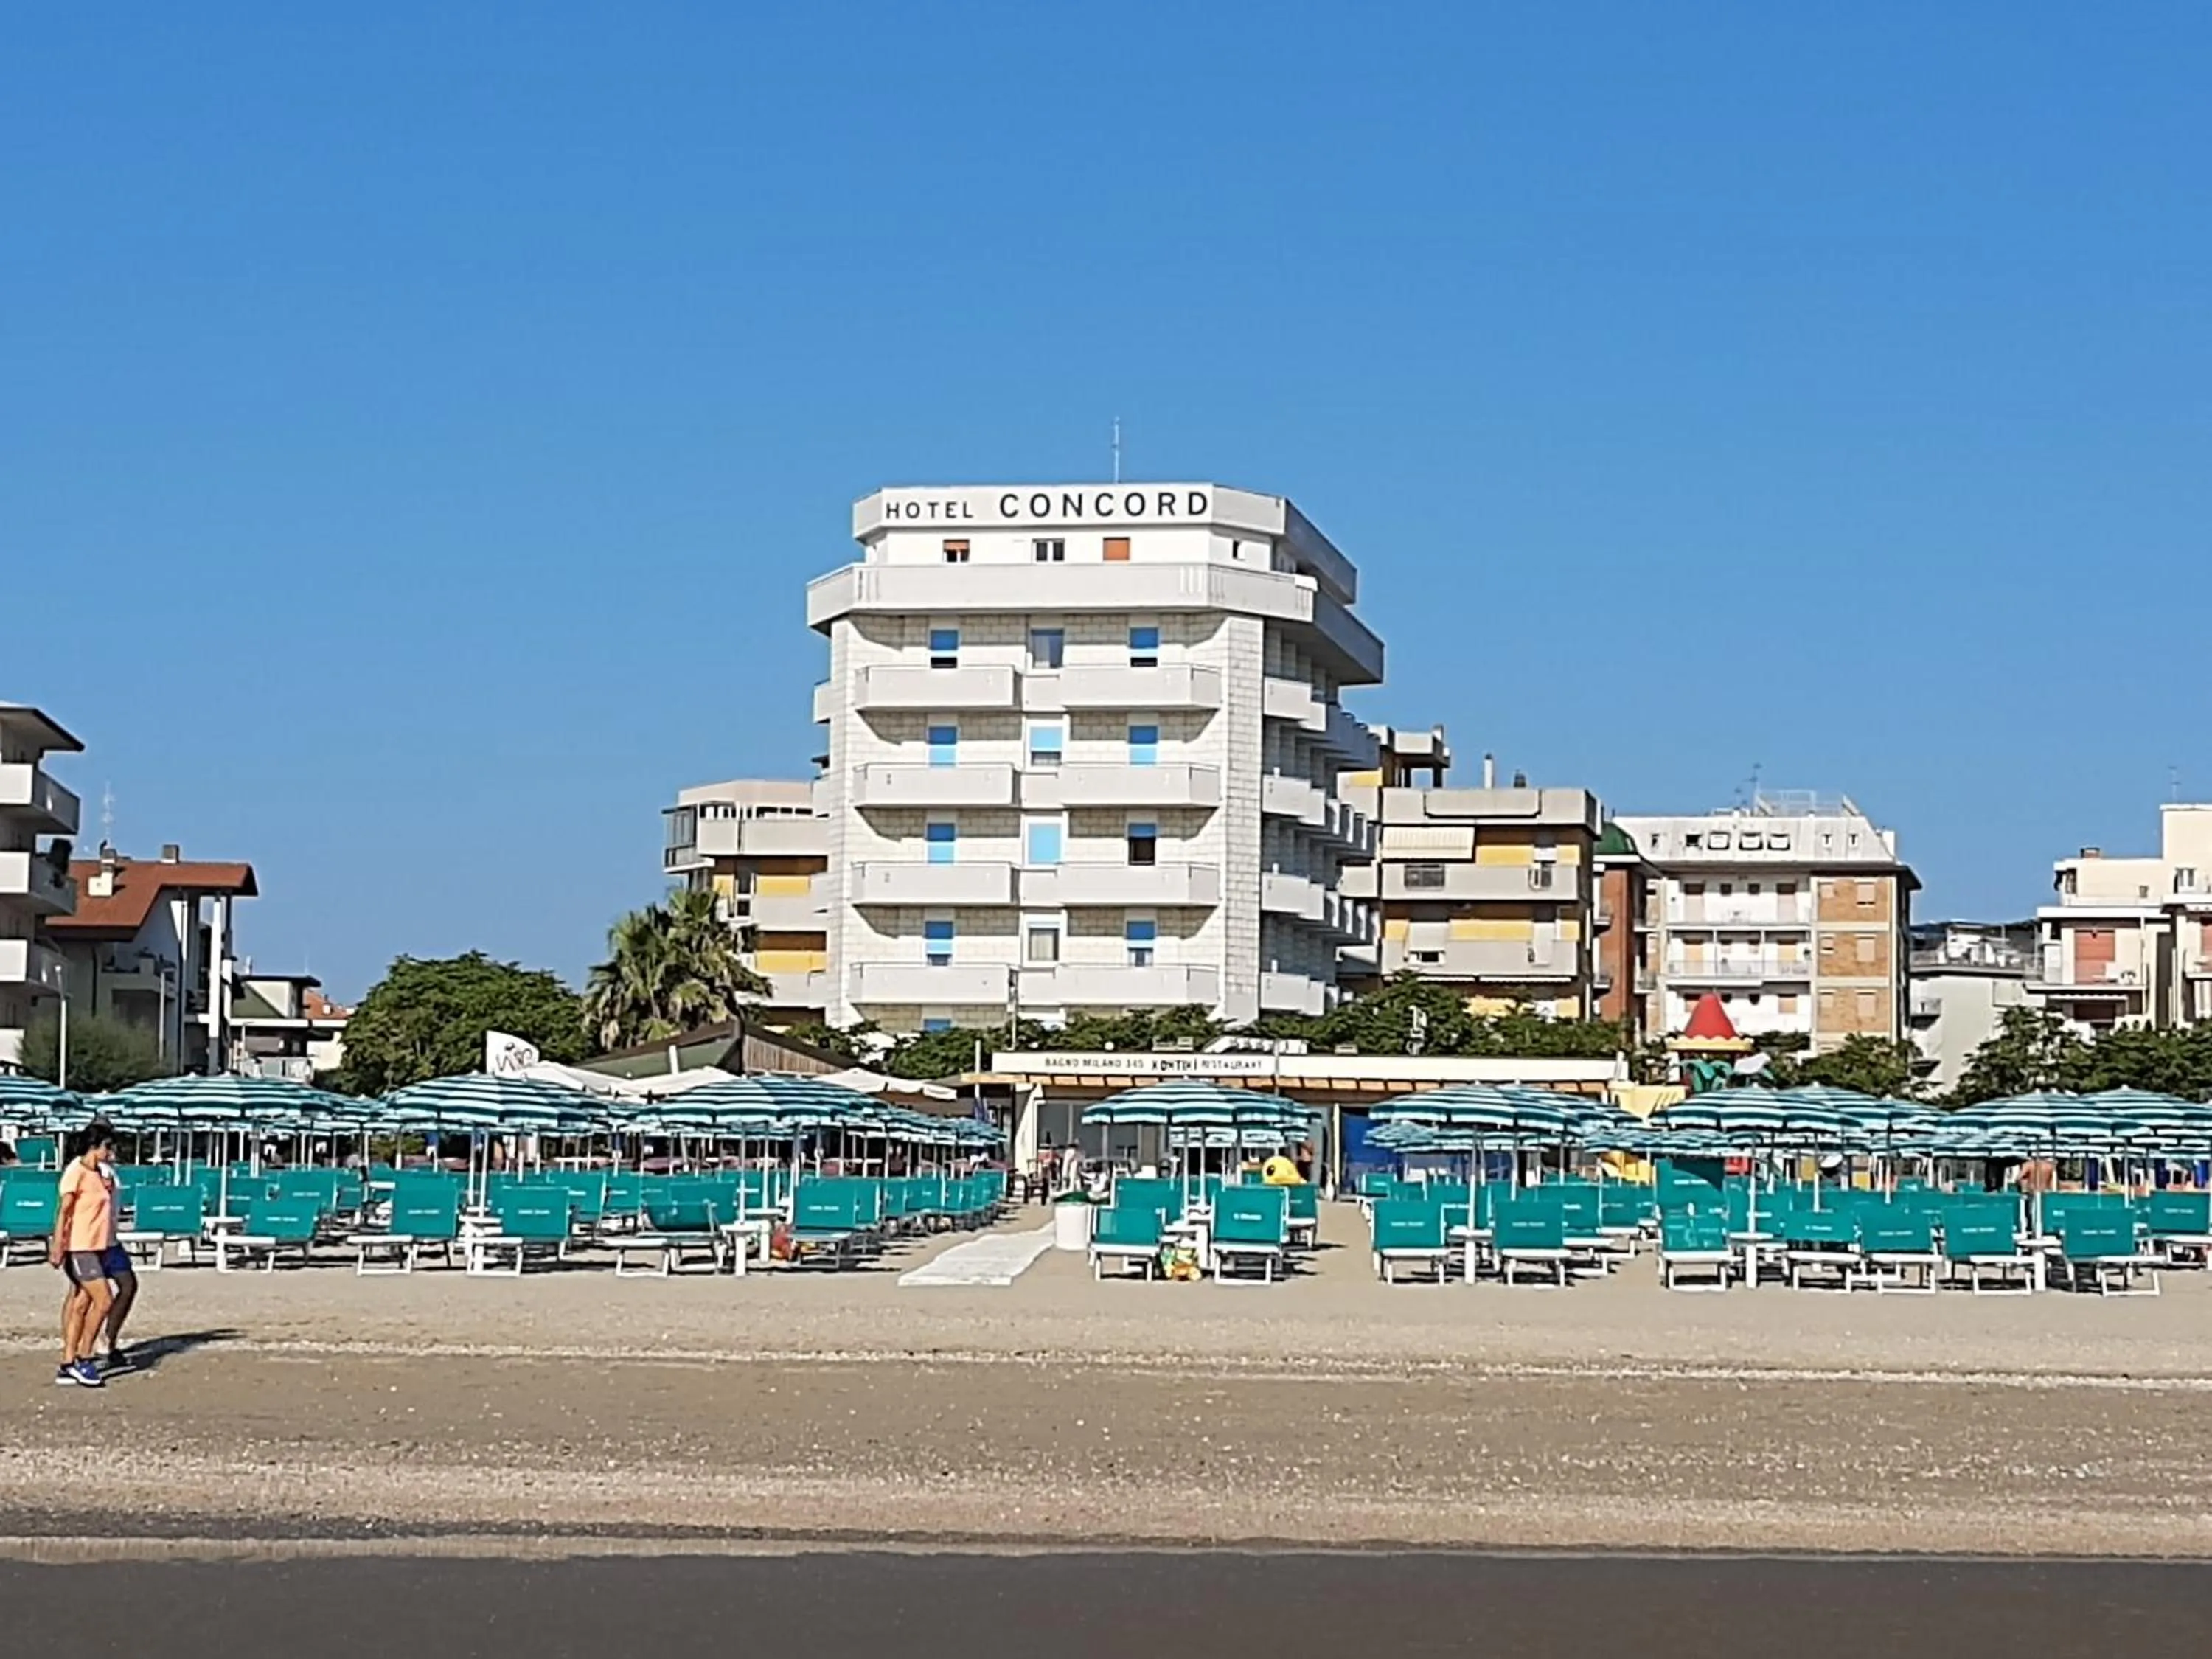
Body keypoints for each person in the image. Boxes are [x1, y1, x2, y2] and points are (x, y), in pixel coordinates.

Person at [50, 1120, 137, 1388]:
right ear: (94, 1146)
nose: (111, 1152)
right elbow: (64, 1210)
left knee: (84, 1302)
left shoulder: (100, 1173)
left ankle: (68, 1363)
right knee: (102, 1301)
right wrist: (57, 1244)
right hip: (80, 1246)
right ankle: (85, 1357)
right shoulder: (76, 1171)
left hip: (99, 1245)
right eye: (108, 1146)